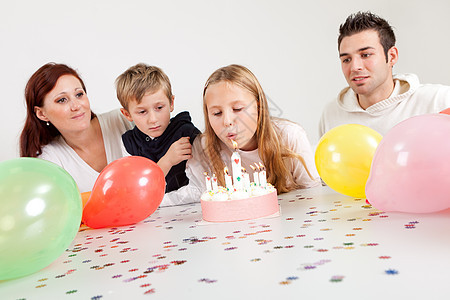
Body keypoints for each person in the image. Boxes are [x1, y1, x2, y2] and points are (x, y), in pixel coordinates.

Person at [162, 64, 320, 206]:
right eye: (217, 113)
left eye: (237, 109)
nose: (227, 121)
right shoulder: (203, 149)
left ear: (258, 107)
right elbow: (195, 196)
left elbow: (313, 197)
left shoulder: (290, 137)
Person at [319, 11, 450, 137]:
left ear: (392, 56)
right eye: (346, 59)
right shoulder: (331, 114)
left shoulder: (438, 100)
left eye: (366, 55)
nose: (354, 67)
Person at [20, 63, 133, 193]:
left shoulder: (124, 120)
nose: (76, 106)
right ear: (41, 114)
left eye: (79, 94)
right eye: (62, 100)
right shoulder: (50, 160)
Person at [115, 63, 201, 192]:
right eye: (142, 112)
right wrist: (167, 161)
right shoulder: (129, 143)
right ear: (127, 114)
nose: (153, 119)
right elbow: (137, 189)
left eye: (159, 108)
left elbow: (201, 185)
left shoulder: (186, 133)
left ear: (171, 103)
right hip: (151, 211)